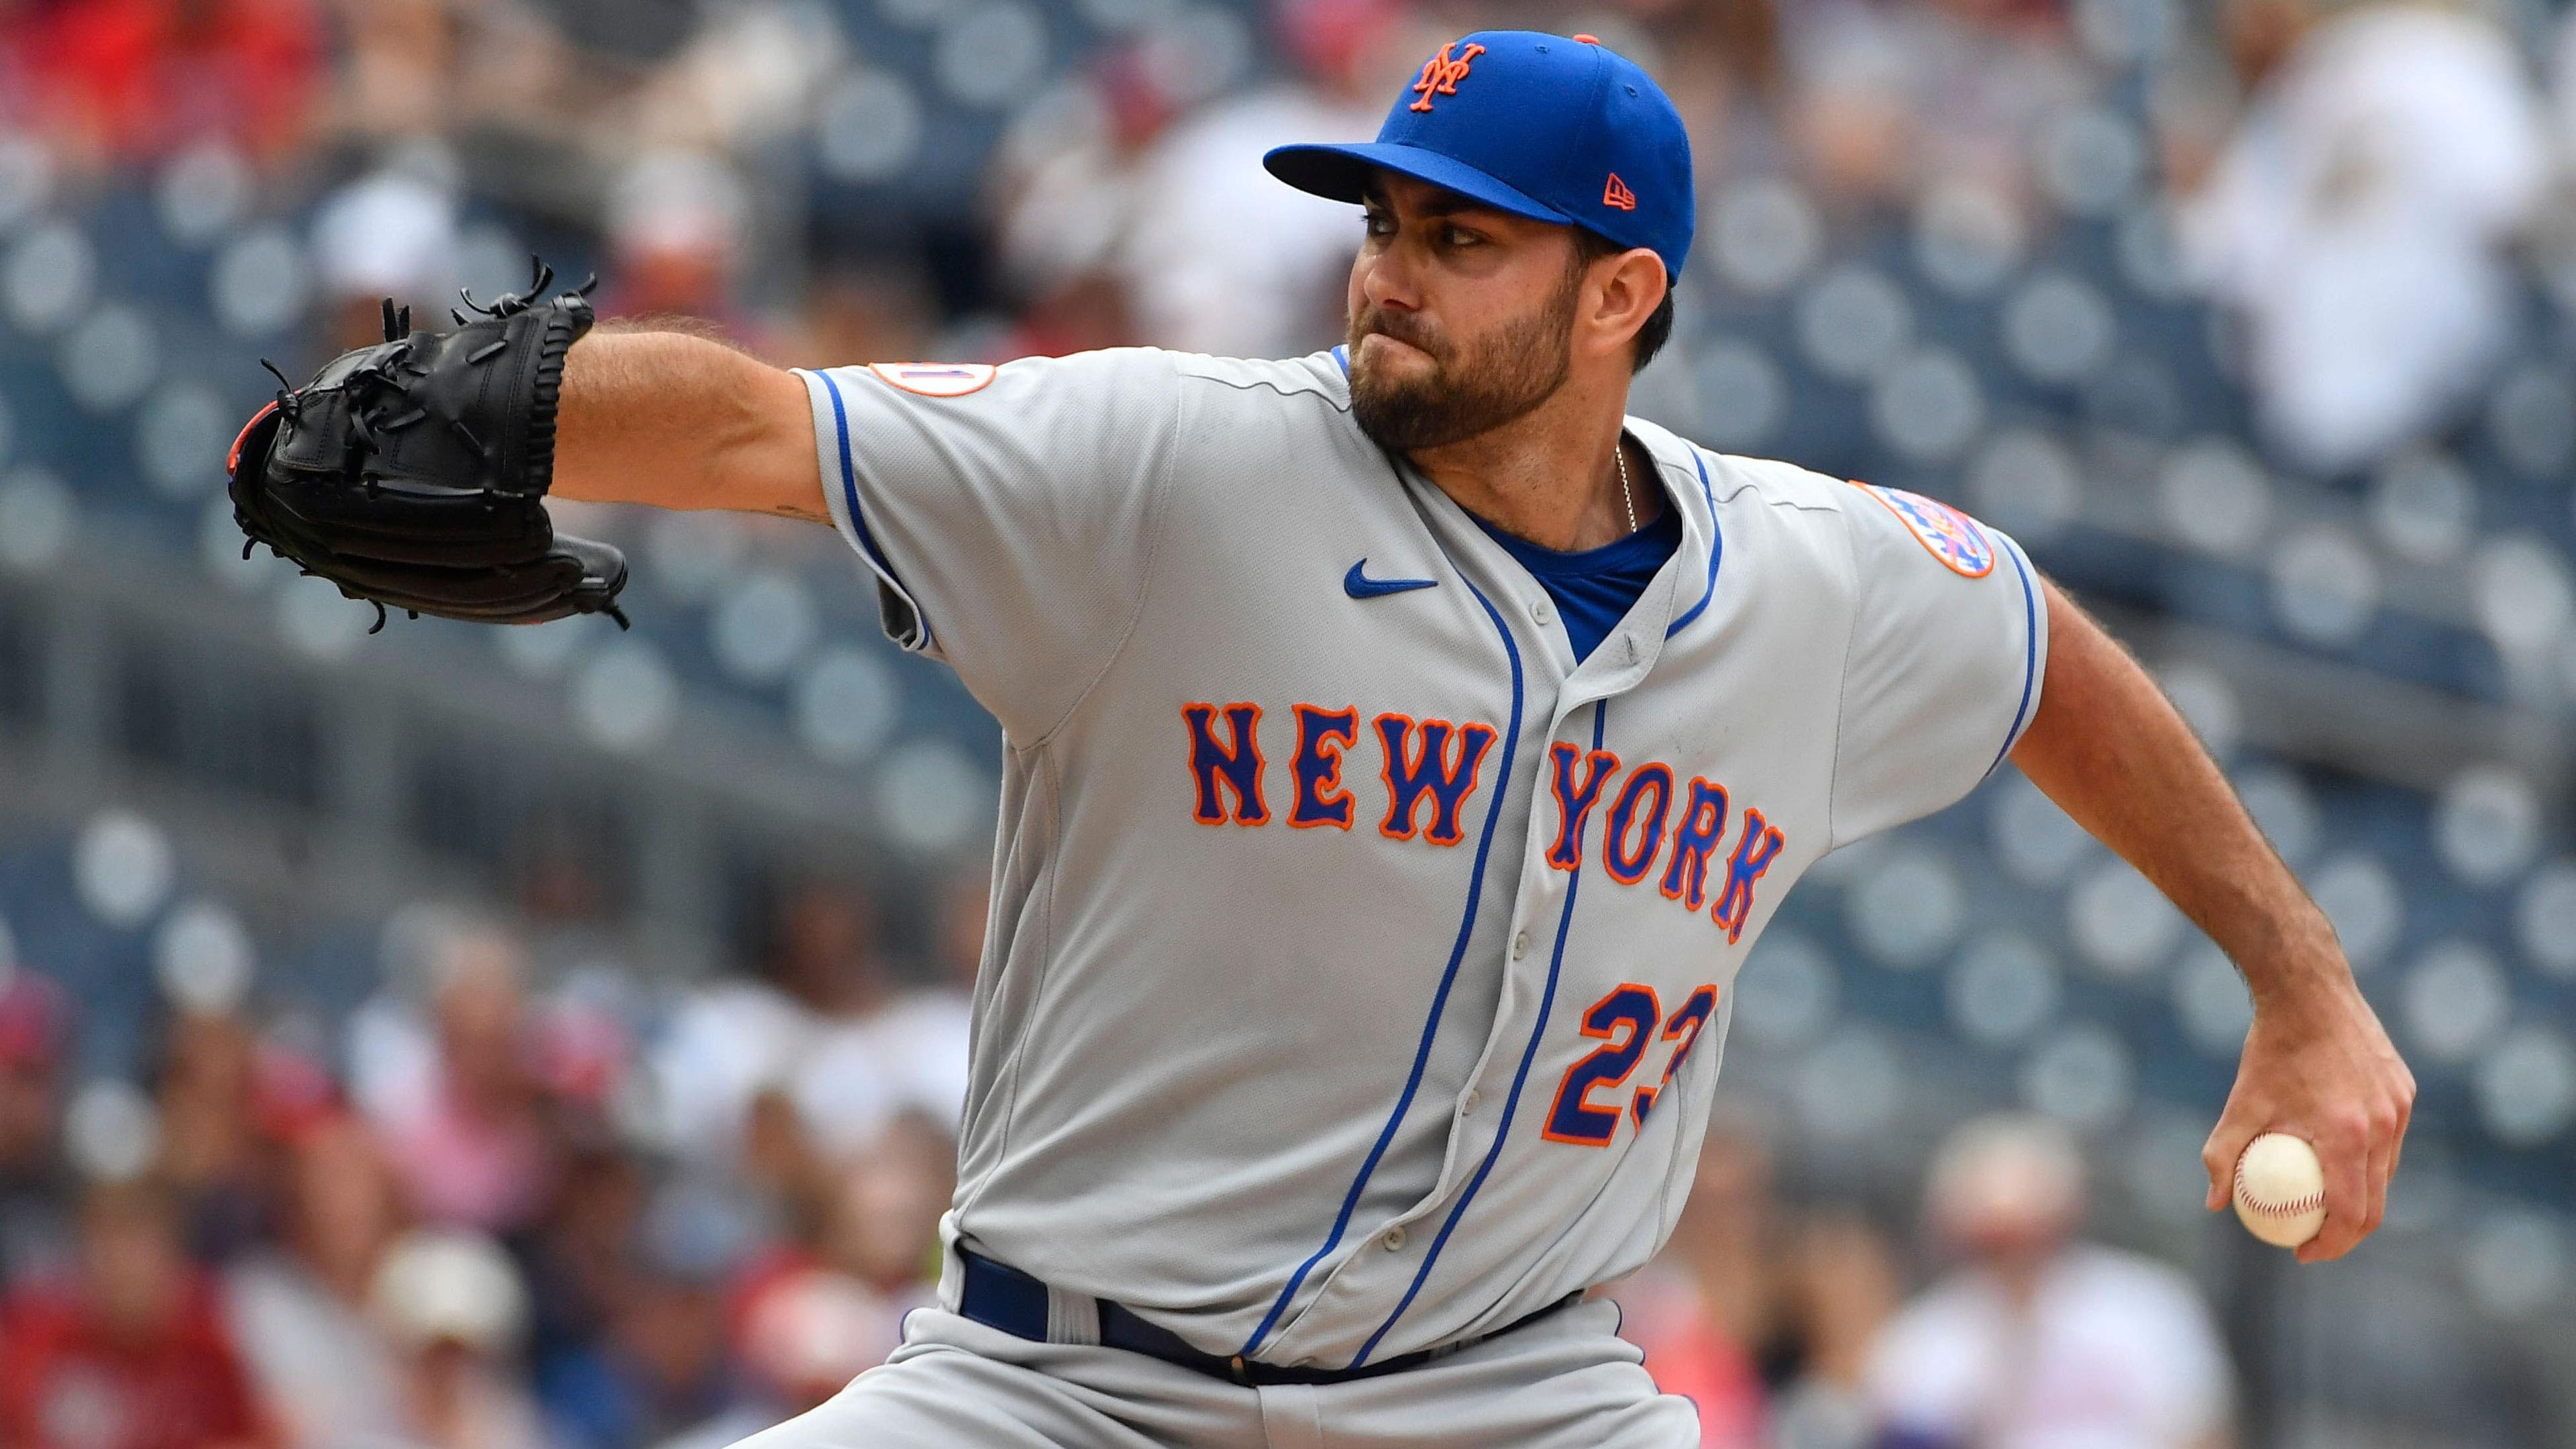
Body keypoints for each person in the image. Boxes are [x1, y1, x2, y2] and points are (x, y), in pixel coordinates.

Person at [235, 28, 2414, 1447]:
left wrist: (2299, 985)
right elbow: (771, 427)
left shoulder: (1813, 584)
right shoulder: (1173, 460)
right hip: (1058, 1388)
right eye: (1378, 220)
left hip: (1515, 1401)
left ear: (1620, 299)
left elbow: (2037, 646)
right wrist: (486, 414)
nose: (1385, 274)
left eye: (1459, 242)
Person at [1865, 1116, 2236, 1449]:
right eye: (1994, 1239)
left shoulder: (2149, 1306)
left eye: (2029, 1232)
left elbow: (2204, 1436)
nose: (2014, 1254)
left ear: (2066, 1216)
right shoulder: (1923, 1340)